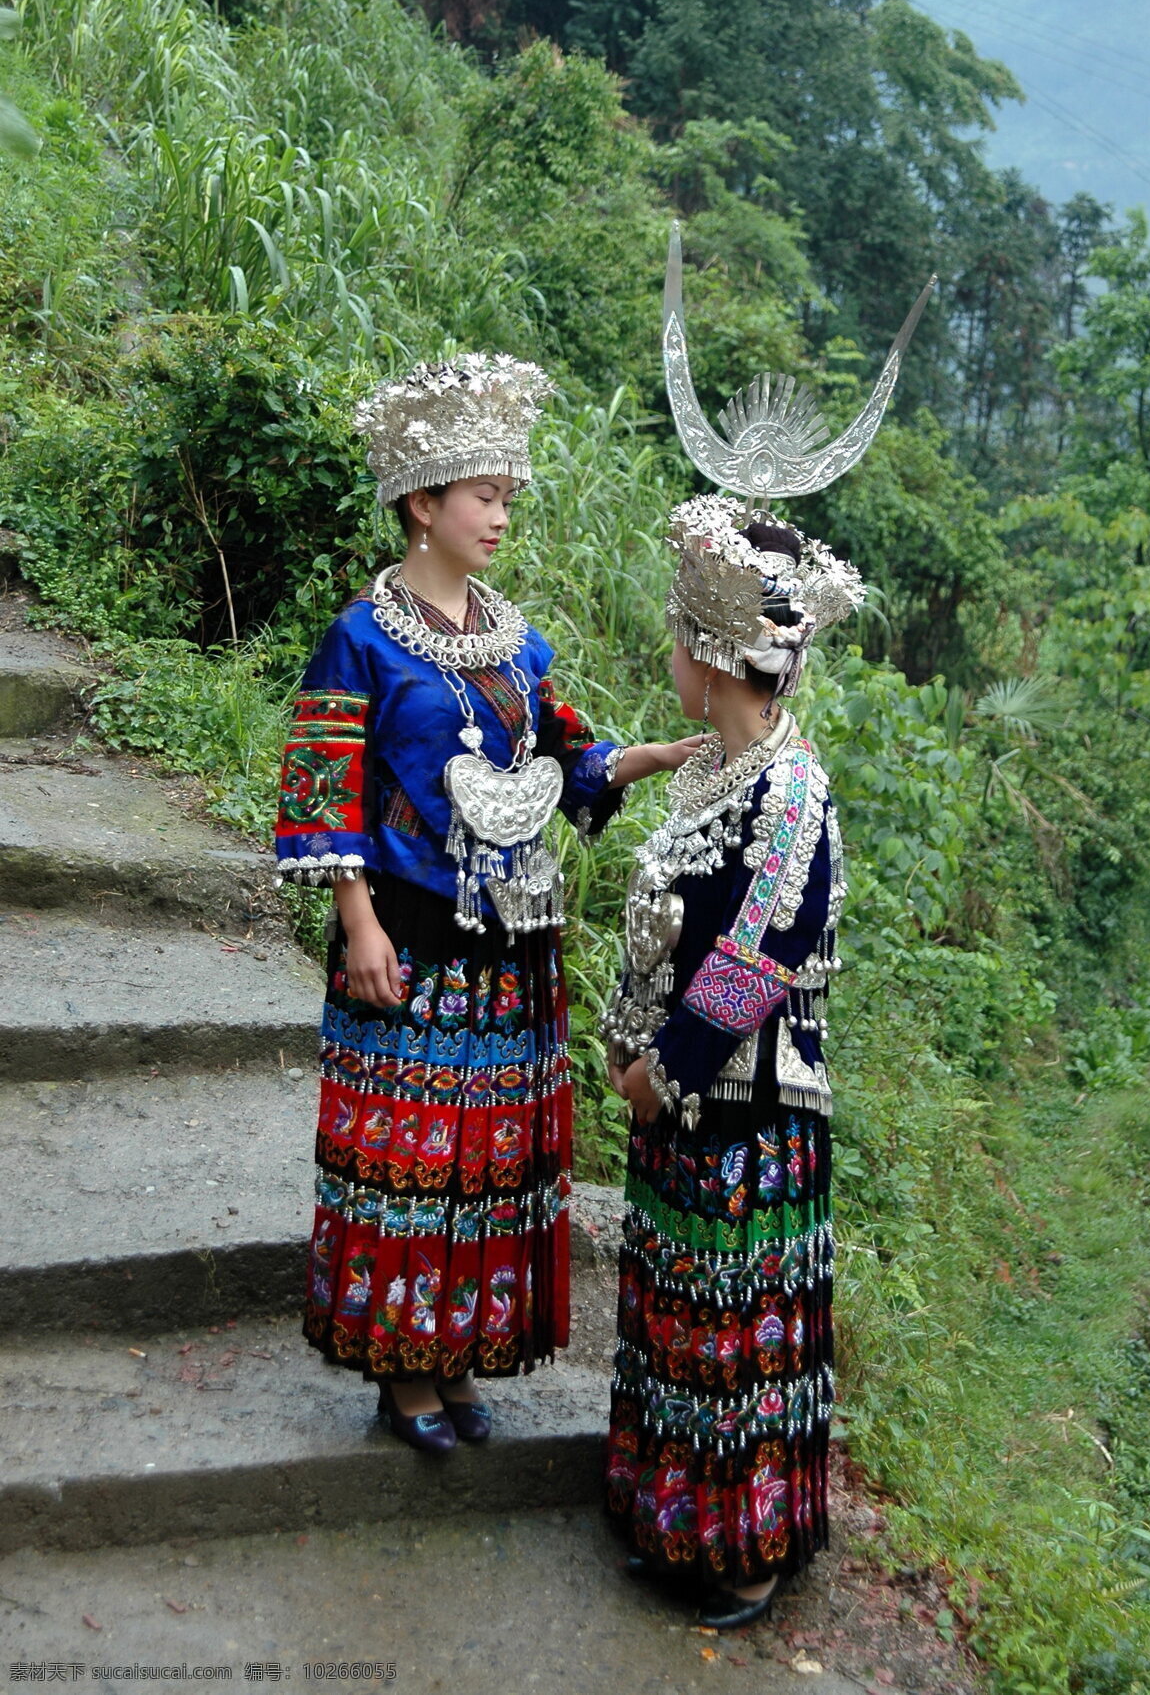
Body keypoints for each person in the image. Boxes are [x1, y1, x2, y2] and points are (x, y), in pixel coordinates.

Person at [275, 352, 698, 1454]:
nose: (501, 516)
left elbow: (563, 754)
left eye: (508, 498)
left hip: (513, 950)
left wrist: (646, 755)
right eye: (484, 498)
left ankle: (459, 1355)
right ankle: (399, 1376)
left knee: (490, 1156)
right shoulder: (362, 640)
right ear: (423, 504)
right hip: (406, 937)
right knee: (407, 1154)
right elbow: (325, 791)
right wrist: (357, 919)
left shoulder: (516, 647)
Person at [602, 232, 931, 1627]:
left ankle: (737, 1548)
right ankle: (677, 1520)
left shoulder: (788, 788)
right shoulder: (721, 764)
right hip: (689, 1108)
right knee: (689, 1315)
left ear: (708, 649)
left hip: (739, 1107)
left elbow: (754, 958)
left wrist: (659, 1064)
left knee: (735, 1327)